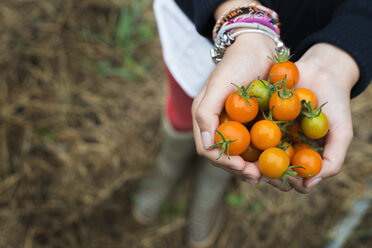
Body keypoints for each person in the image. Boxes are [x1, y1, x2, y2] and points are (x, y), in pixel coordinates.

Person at [133, 0, 372, 247]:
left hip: (301, 51)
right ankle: (168, 165)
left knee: (231, 145)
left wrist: (340, 56)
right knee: (185, 108)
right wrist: (241, 17)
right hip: (199, 22)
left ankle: (212, 183)